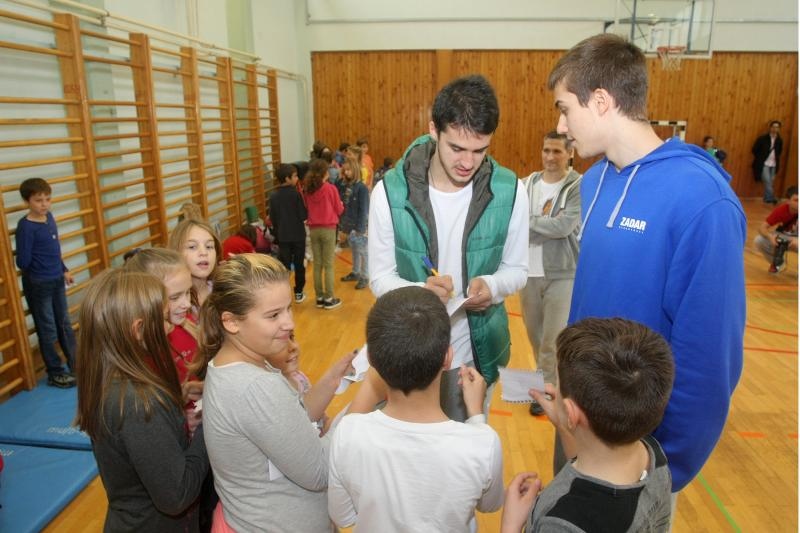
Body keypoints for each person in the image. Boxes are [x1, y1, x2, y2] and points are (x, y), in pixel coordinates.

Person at [547, 33, 746, 498]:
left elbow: (709, 355)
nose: (560, 125)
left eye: (565, 109)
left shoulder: (703, 200)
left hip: (639, 454)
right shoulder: (594, 181)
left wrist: (662, 466)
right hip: (577, 423)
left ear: (600, 101)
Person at [368, 74, 529, 421]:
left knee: (468, 443)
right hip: (409, 351)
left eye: (479, 150)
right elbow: (380, 278)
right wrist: (420, 293)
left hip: (476, 353)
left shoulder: (511, 190)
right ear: (433, 130)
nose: (468, 162)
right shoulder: (389, 192)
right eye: (456, 148)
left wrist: (493, 285)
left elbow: (517, 270)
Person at [328, 286, 504, 532]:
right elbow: (490, 504)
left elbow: (344, 516)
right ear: (448, 357)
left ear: (371, 360)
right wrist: (476, 417)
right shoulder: (482, 443)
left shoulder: (348, 432)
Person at [198, 254, 352, 532]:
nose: (289, 323)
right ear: (231, 322)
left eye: (288, 308)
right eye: (273, 315)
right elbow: (319, 471)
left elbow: (287, 423)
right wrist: (364, 402)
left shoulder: (234, 362)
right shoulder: (254, 386)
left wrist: (331, 380)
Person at [501, 317, 674, 533]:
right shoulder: (654, 455)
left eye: (558, 382)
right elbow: (591, 473)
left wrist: (511, 525)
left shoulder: (562, 523)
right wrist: (564, 424)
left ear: (572, 412)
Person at [75, 269, 209, 532]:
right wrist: (211, 422)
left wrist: (177, 402)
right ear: (138, 329)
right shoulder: (137, 403)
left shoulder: (111, 381)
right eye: (164, 319)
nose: (170, 326)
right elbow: (177, 495)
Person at [519, 131, 582, 416]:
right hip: (528, 272)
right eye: (546, 150)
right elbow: (513, 221)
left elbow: (564, 226)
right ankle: (548, 380)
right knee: (535, 336)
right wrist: (545, 223)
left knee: (552, 339)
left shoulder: (578, 185)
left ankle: (547, 390)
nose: (550, 157)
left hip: (563, 273)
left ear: (570, 153)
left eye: (557, 151)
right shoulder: (526, 184)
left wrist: (529, 222)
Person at [15, 178, 76, 388]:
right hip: (39, 284)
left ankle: (75, 363)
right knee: (47, 328)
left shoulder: (49, 218)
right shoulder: (26, 226)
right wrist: (40, 267)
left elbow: (55, 250)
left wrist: (64, 269)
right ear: (27, 201)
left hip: (57, 279)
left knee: (64, 324)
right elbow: (22, 261)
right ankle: (55, 372)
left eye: (47, 199)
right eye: (38, 200)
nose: (44, 204)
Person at [304, 158, 344, 310]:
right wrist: (341, 205)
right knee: (328, 265)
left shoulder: (308, 189)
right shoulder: (330, 188)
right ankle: (329, 298)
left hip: (314, 229)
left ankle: (319, 297)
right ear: (324, 172)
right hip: (328, 229)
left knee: (317, 264)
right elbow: (339, 209)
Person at [270, 163, 309, 303]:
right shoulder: (296, 194)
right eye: (295, 176)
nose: (297, 178)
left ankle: (284, 294)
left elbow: (273, 218)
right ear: (287, 179)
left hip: (283, 236)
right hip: (298, 235)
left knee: (284, 266)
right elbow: (303, 215)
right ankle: (299, 292)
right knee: (299, 265)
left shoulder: (273, 196)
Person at [168, 219, 220, 312]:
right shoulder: (172, 304)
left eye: (209, 246)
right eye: (192, 247)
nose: (204, 252)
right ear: (177, 253)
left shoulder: (223, 289)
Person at [336, 159, 370, 290]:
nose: (346, 172)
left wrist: (360, 228)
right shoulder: (344, 185)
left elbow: (364, 210)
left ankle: (365, 276)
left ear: (355, 170)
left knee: (362, 251)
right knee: (354, 250)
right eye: (344, 170)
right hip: (348, 225)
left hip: (359, 226)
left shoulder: (362, 188)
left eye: (349, 170)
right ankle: (356, 272)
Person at [754, 185, 798, 273]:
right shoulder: (781, 210)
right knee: (759, 241)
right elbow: (762, 227)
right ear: (788, 201)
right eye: (796, 200)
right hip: (787, 237)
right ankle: (778, 263)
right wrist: (770, 237)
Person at [751, 120, 783, 204]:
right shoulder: (762, 139)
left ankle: (766, 199)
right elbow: (754, 150)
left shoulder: (779, 140)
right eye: (773, 127)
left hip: (774, 164)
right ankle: (772, 198)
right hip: (764, 163)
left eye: (777, 127)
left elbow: (779, 152)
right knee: (767, 181)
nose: (775, 129)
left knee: (770, 182)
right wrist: (761, 156)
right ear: (770, 128)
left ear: (779, 129)